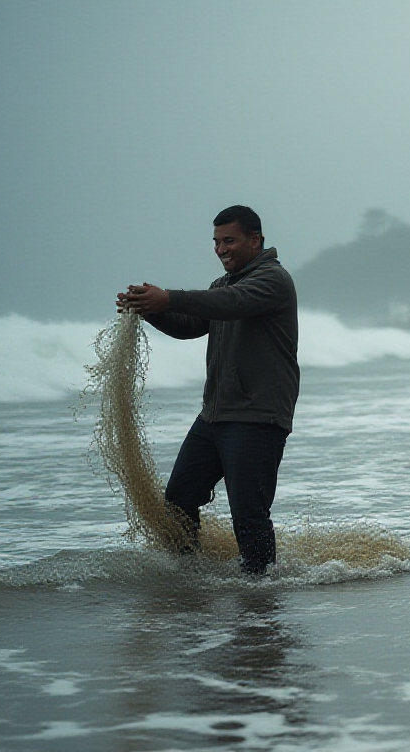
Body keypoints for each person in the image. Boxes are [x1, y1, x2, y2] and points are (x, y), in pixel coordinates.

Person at [116, 205, 298, 575]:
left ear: (255, 240)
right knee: (179, 500)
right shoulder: (222, 286)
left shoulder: (272, 280)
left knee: (249, 516)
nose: (220, 249)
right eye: (216, 242)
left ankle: (261, 596)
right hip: (213, 417)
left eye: (229, 240)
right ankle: (190, 578)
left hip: (257, 417)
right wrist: (150, 310)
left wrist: (170, 296)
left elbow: (232, 305)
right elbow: (191, 324)